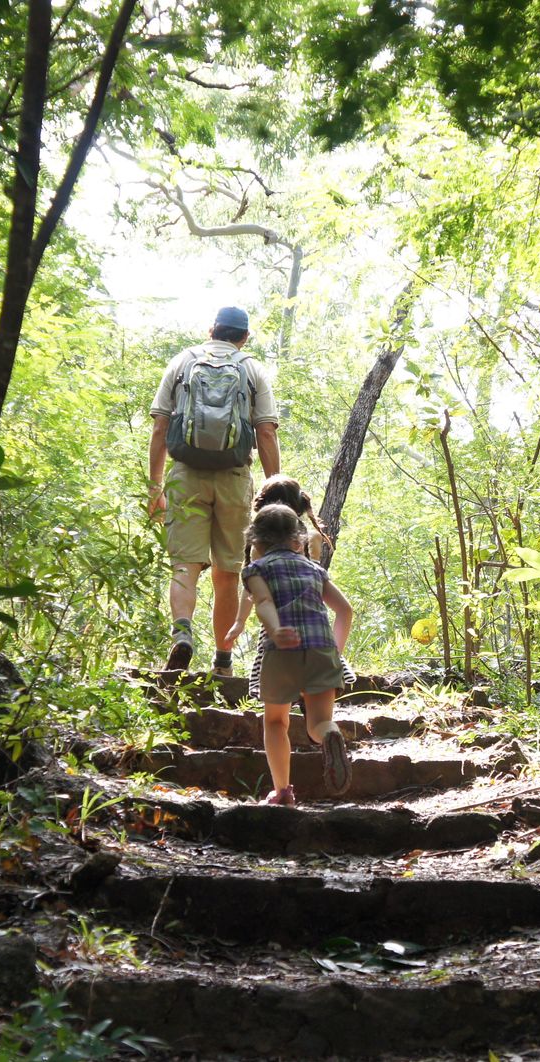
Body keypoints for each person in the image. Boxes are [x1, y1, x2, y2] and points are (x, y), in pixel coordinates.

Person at [148, 306, 280, 675]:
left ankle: (182, 636)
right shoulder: (252, 369)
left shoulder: (182, 362)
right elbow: (266, 432)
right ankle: (223, 663)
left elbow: (160, 427)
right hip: (234, 479)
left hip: (185, 475)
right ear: (244, 337)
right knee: (227, 572)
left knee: (184, 565)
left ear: (211, 330)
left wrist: (155, 486)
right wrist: (274, 489)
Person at [239, 503, 354, 805]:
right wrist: (334, 654)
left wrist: (276, 629)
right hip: (321, 651)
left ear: (256, 543)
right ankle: (331, 734)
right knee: (317, 723)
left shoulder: (256, 569)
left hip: (282, 651)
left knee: (276, 722)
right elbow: (344, 610)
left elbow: (263, 600)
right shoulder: (316, 569)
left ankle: (282, 792)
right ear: (298, 539)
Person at [227, 474, 357, 699]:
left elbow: (257, 594)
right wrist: (334, 652)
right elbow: (337, 602)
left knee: (277, 711)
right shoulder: (311, 537)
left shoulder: (261, 547)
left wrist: (239, 622)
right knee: (318, 702)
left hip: (278, 628)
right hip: (316, 629)